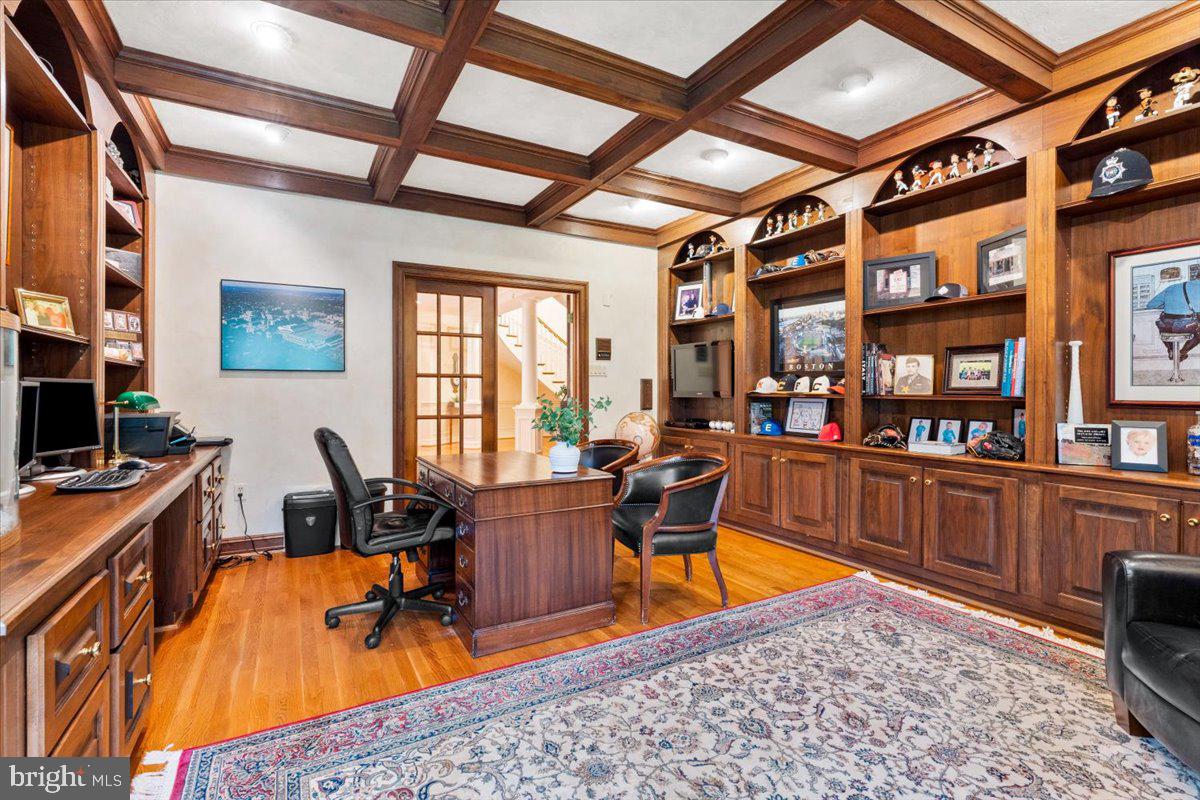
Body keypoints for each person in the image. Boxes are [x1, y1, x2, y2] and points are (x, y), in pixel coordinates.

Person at [1145, 273, 1200, 362]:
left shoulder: (1173, 287)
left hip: (1165, 326)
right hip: (1184, 327)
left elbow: (1150, 305)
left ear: (1196, 276)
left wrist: (1170, 306)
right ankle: (1182, 352)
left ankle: (1171, 350)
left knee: (1163, 324)